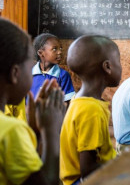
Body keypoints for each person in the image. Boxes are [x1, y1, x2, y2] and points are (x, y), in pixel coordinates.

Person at [0, 17, 65, 185]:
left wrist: (35, 132)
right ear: (15, 74)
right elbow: (45, 182)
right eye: (29, 68)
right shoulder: (11, 131)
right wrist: (50, 133)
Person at [60, 35, 121, 185]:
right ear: (107, 67)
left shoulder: (81, 101)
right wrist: (123, 164)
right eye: (118, 61)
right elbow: (88, 170)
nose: (121, 66)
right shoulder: (90, 110)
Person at [31, 33, 75, 102]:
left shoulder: (63, 75)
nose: (60, 52)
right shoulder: (29, 75)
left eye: (60, 48)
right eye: (54, 49)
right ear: (40, 53)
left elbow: (68, 102)